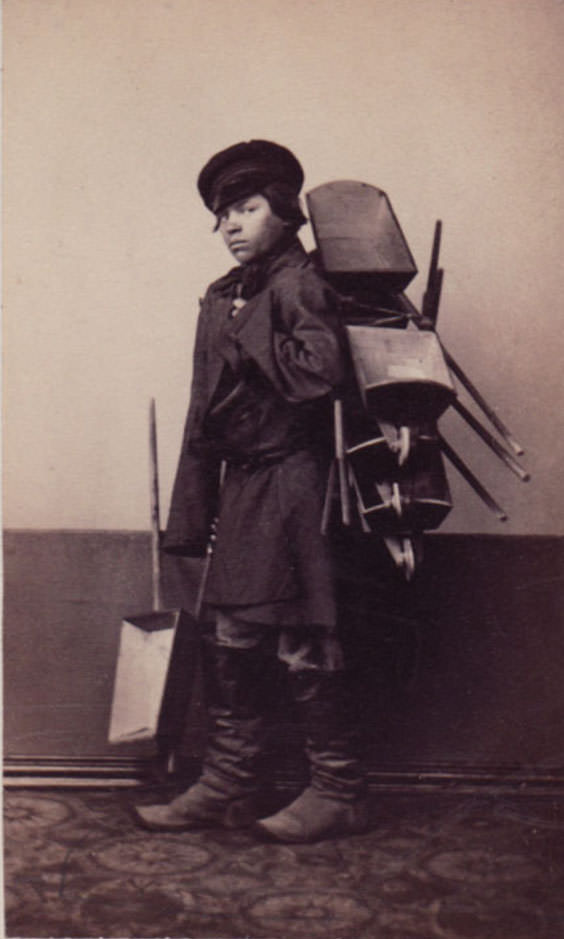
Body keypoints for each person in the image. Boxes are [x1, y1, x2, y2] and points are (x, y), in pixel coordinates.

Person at [133, 139, 368, 843]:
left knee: (302, 638)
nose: (232, 224)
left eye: (247, 207)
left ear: (285, 211)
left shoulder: (297, 283)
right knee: (229, 635)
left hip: (296, 482)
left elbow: (318, 377)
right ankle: (230, 780)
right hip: (244, 488)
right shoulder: (228, 293)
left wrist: (247, 333)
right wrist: (192, 511)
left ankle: (339, 789)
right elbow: (204, 410)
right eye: (222, 213)